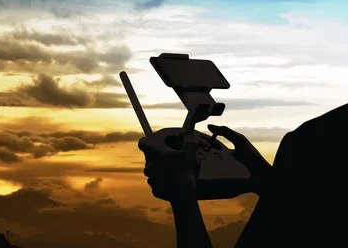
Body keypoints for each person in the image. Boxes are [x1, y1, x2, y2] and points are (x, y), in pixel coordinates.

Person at [139, 103, 348, 248]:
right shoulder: (318, 136)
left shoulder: (313, 139)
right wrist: (265, 180)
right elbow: (316, 214)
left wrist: (182, 191)